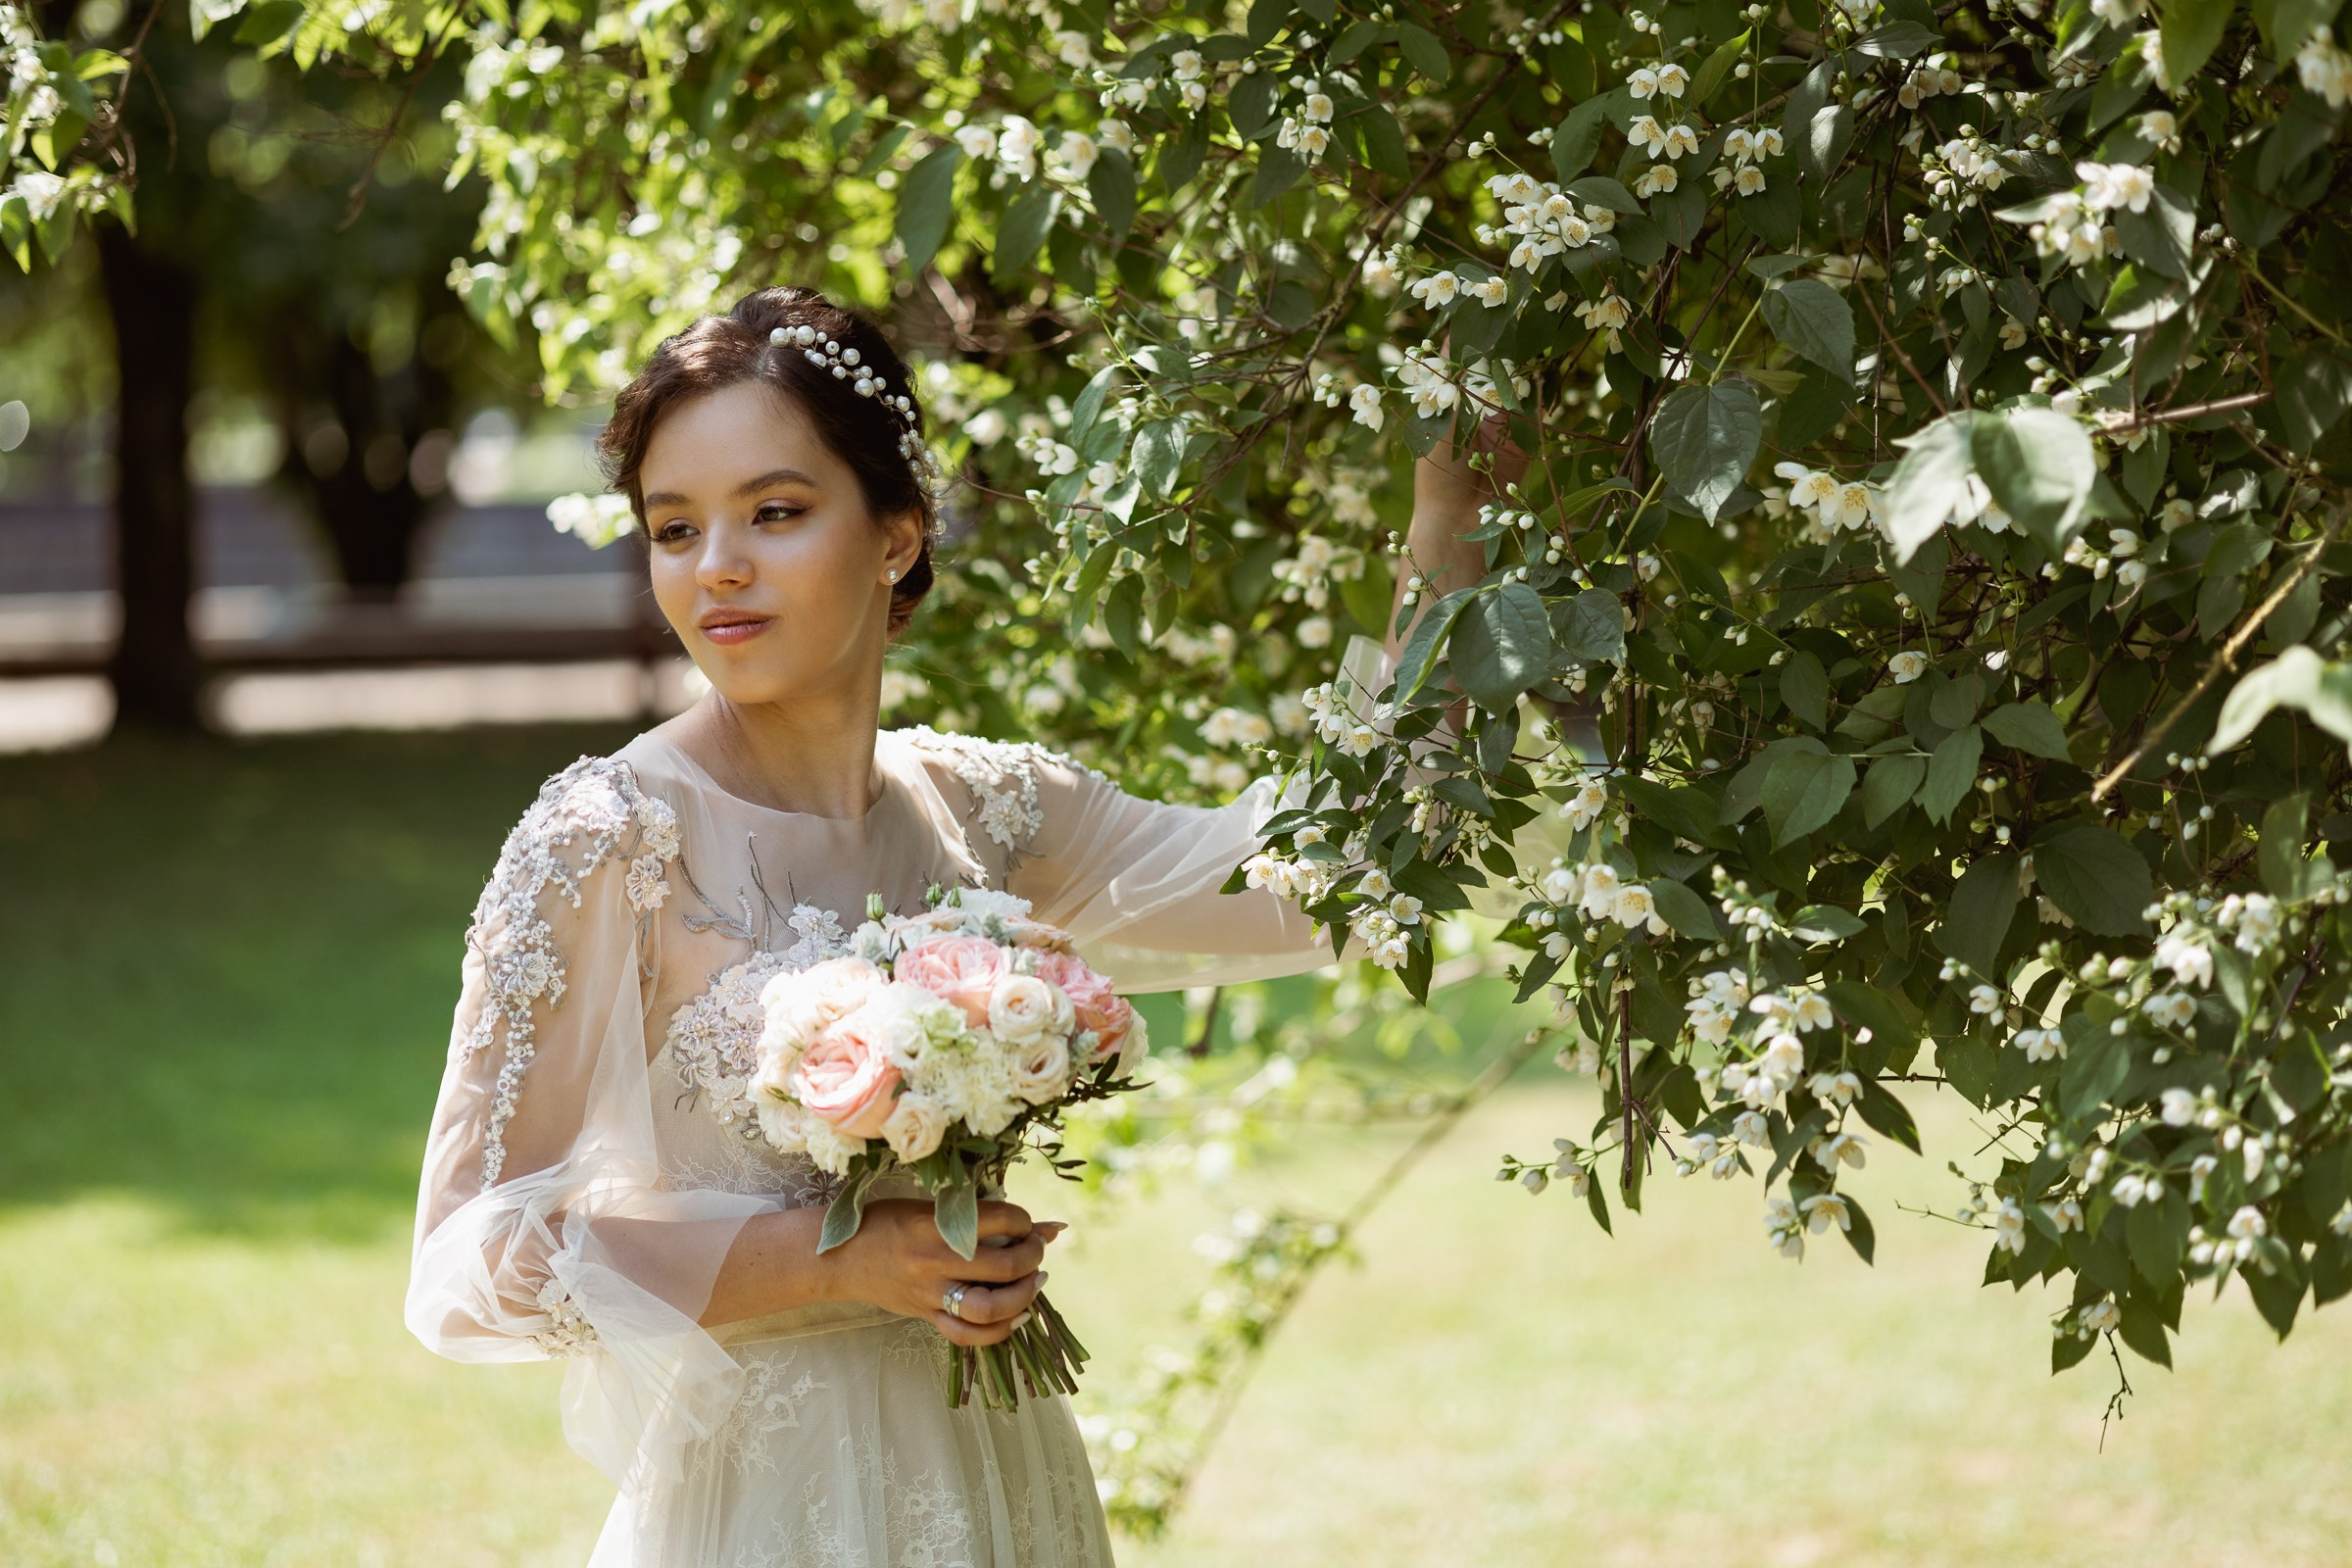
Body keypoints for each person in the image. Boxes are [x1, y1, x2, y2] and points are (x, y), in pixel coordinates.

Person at [403, 283, 1520, 1565]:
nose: (717, 567)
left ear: (896, 534)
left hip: (997, 1471)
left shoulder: (987, 810)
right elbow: (472, 1265)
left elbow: (1348, 866)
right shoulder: (607, 838)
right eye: (674, 527)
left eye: (775, 511)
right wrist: (837, 1264)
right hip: (764, 1509)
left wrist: (1451, 512)